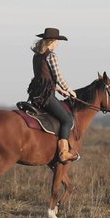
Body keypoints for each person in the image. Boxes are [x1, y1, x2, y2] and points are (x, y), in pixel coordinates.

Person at [27, 27, 79, 163]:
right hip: (46, 97)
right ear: (52, 41)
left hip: (35, 95)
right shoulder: (51, 56)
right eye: (57, 41)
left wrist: (57, 90)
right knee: (68, 120)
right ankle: (64, 153)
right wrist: (69, 90)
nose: (58, 44)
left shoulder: (36, 56)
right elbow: (58, 76)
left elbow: (43, 78)